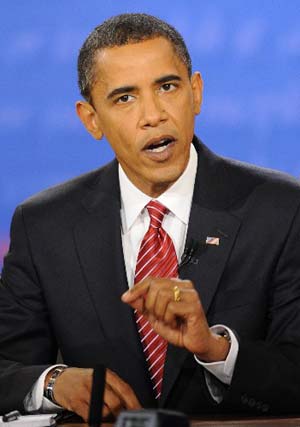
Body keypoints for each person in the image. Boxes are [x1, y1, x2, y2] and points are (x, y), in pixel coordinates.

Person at [1, 12, 300, 422]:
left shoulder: (282, 209)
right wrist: (53, 383)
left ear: (195, 93)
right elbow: (6, 368)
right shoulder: (43, 225)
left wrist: (216, 350)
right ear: (91, 120)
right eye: (125, 98)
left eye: (168, 87)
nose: (153, 114)